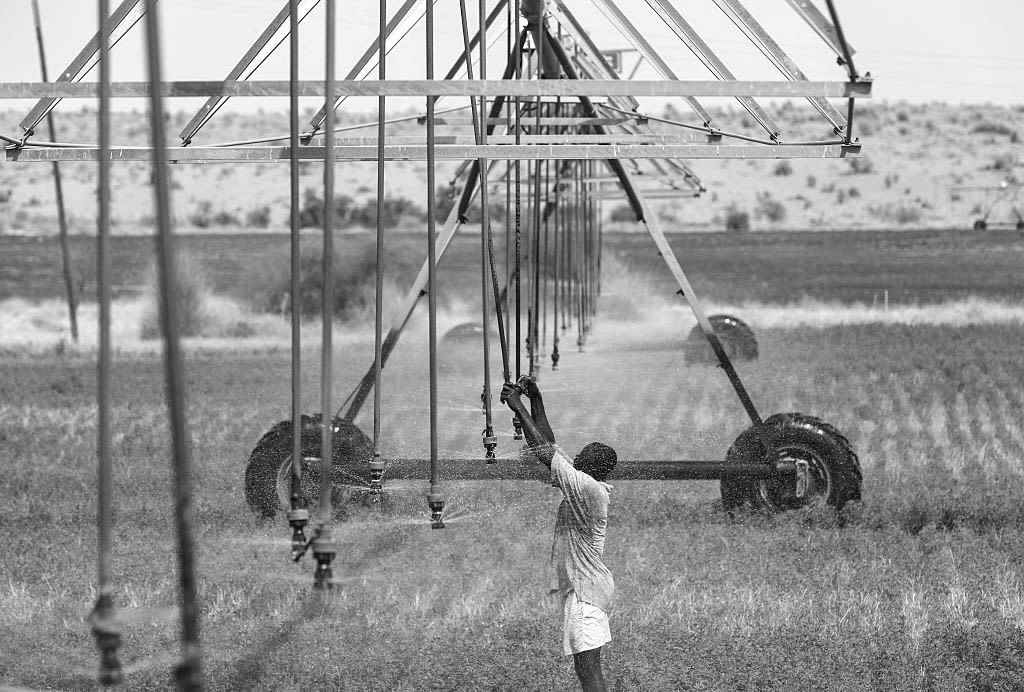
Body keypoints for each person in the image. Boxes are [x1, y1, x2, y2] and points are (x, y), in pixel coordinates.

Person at [501, 375, 617, 692]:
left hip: (585, 593)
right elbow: (550, 447)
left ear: (593, 468)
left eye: (581, 458)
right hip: (586, 589)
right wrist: (535, 398)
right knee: (586, 668)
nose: (575, 458)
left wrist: (518, 405)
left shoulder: (587, 488)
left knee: (589, 671)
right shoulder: (586, 481)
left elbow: (543, 451)